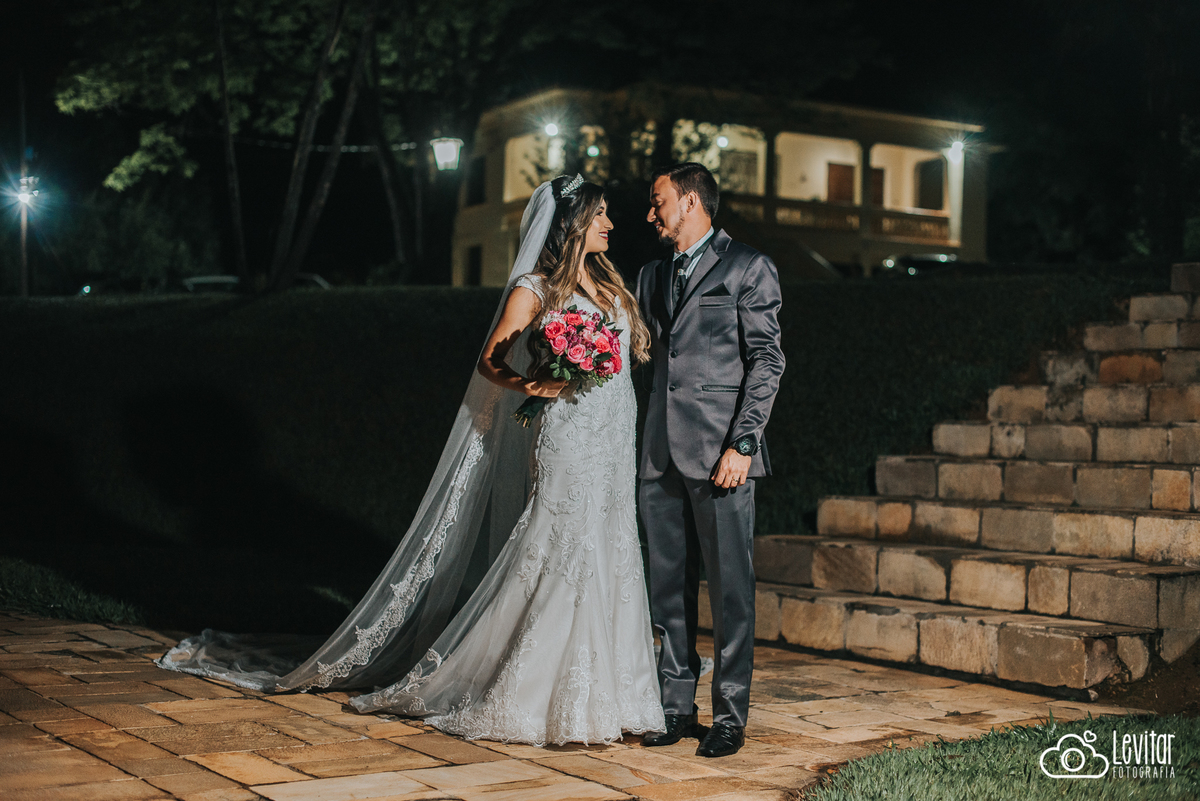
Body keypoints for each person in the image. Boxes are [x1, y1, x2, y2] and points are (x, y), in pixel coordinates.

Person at [158, 175, 664, 746]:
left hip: (614, 437)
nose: (610, 223)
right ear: (573, 223)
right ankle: (539, 694)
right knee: (562, 548)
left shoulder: (608, 283)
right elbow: (491, 362)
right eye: (600, 214)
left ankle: (614, 695)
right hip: (569, 438)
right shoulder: (536, 287)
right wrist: (534, 385)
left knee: (612, 547)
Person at [636, 162, 785, 758]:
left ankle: (729, 716)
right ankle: (675, 707)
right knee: (666, 589)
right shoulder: (649, 275)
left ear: (690, 201)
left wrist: (743, 444)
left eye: (658, 201)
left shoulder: (749, 266)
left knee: (729, 591)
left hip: (723, 454)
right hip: (658, 454)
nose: (651, 214)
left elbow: (767, 362)